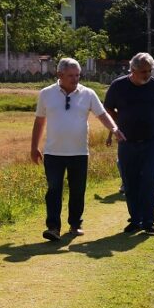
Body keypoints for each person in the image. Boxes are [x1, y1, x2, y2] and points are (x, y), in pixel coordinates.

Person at [31, 58, 125, 241]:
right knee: (53, 190)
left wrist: (113, 128)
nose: (75, 79)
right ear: (60, 75)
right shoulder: (46, 94)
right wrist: (34, 146)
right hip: (53, 153)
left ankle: (75, 224)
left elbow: (102, 114)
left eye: (77, 75)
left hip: (79, 153)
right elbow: (39, 121)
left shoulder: (88, 94)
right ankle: (53, 227)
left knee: (77, 190)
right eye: (70, 76)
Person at [104, 52, 154, 235]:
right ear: (132, 70)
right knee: (130, 182)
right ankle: (135, 219)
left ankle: (149, 221)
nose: (147, 75)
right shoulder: (118, 86)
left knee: (150, 179)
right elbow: (107, 108)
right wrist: (118, 124)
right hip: (127, 142)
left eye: (149, 71)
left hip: (152, 142)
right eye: (143, 72)